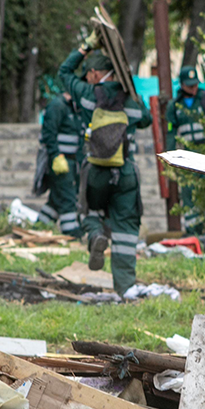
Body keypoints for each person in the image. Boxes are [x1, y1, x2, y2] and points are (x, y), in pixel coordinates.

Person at [58, 34, 151, 293]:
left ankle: (96, 236)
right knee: (126, 229)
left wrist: (86, 46)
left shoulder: (87, 95)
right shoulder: (130, 99)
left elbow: (63, 72)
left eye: (89, 73)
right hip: (126, 173)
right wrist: (131, 89)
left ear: (98, 73)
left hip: (96, 171)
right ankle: (126, 288)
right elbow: (146, 120)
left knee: (89, 211)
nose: (87, 77)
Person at [165, 66, 205, 236]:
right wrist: (170, 158)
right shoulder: (174, 106)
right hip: (188, 156)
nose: (193, 88)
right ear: (182, 85)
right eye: (189, 85)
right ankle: (194, 233)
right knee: (189, 195)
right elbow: (170, 133)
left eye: (195, 85)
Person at [34, 91, 85, 237]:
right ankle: (71, 232)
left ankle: (39, 228)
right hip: (60, 162)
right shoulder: (57, 106)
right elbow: (48, 133)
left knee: (56, 200)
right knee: (67, 197)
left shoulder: (74, 108)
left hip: (71, 162)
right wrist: (55, 155)